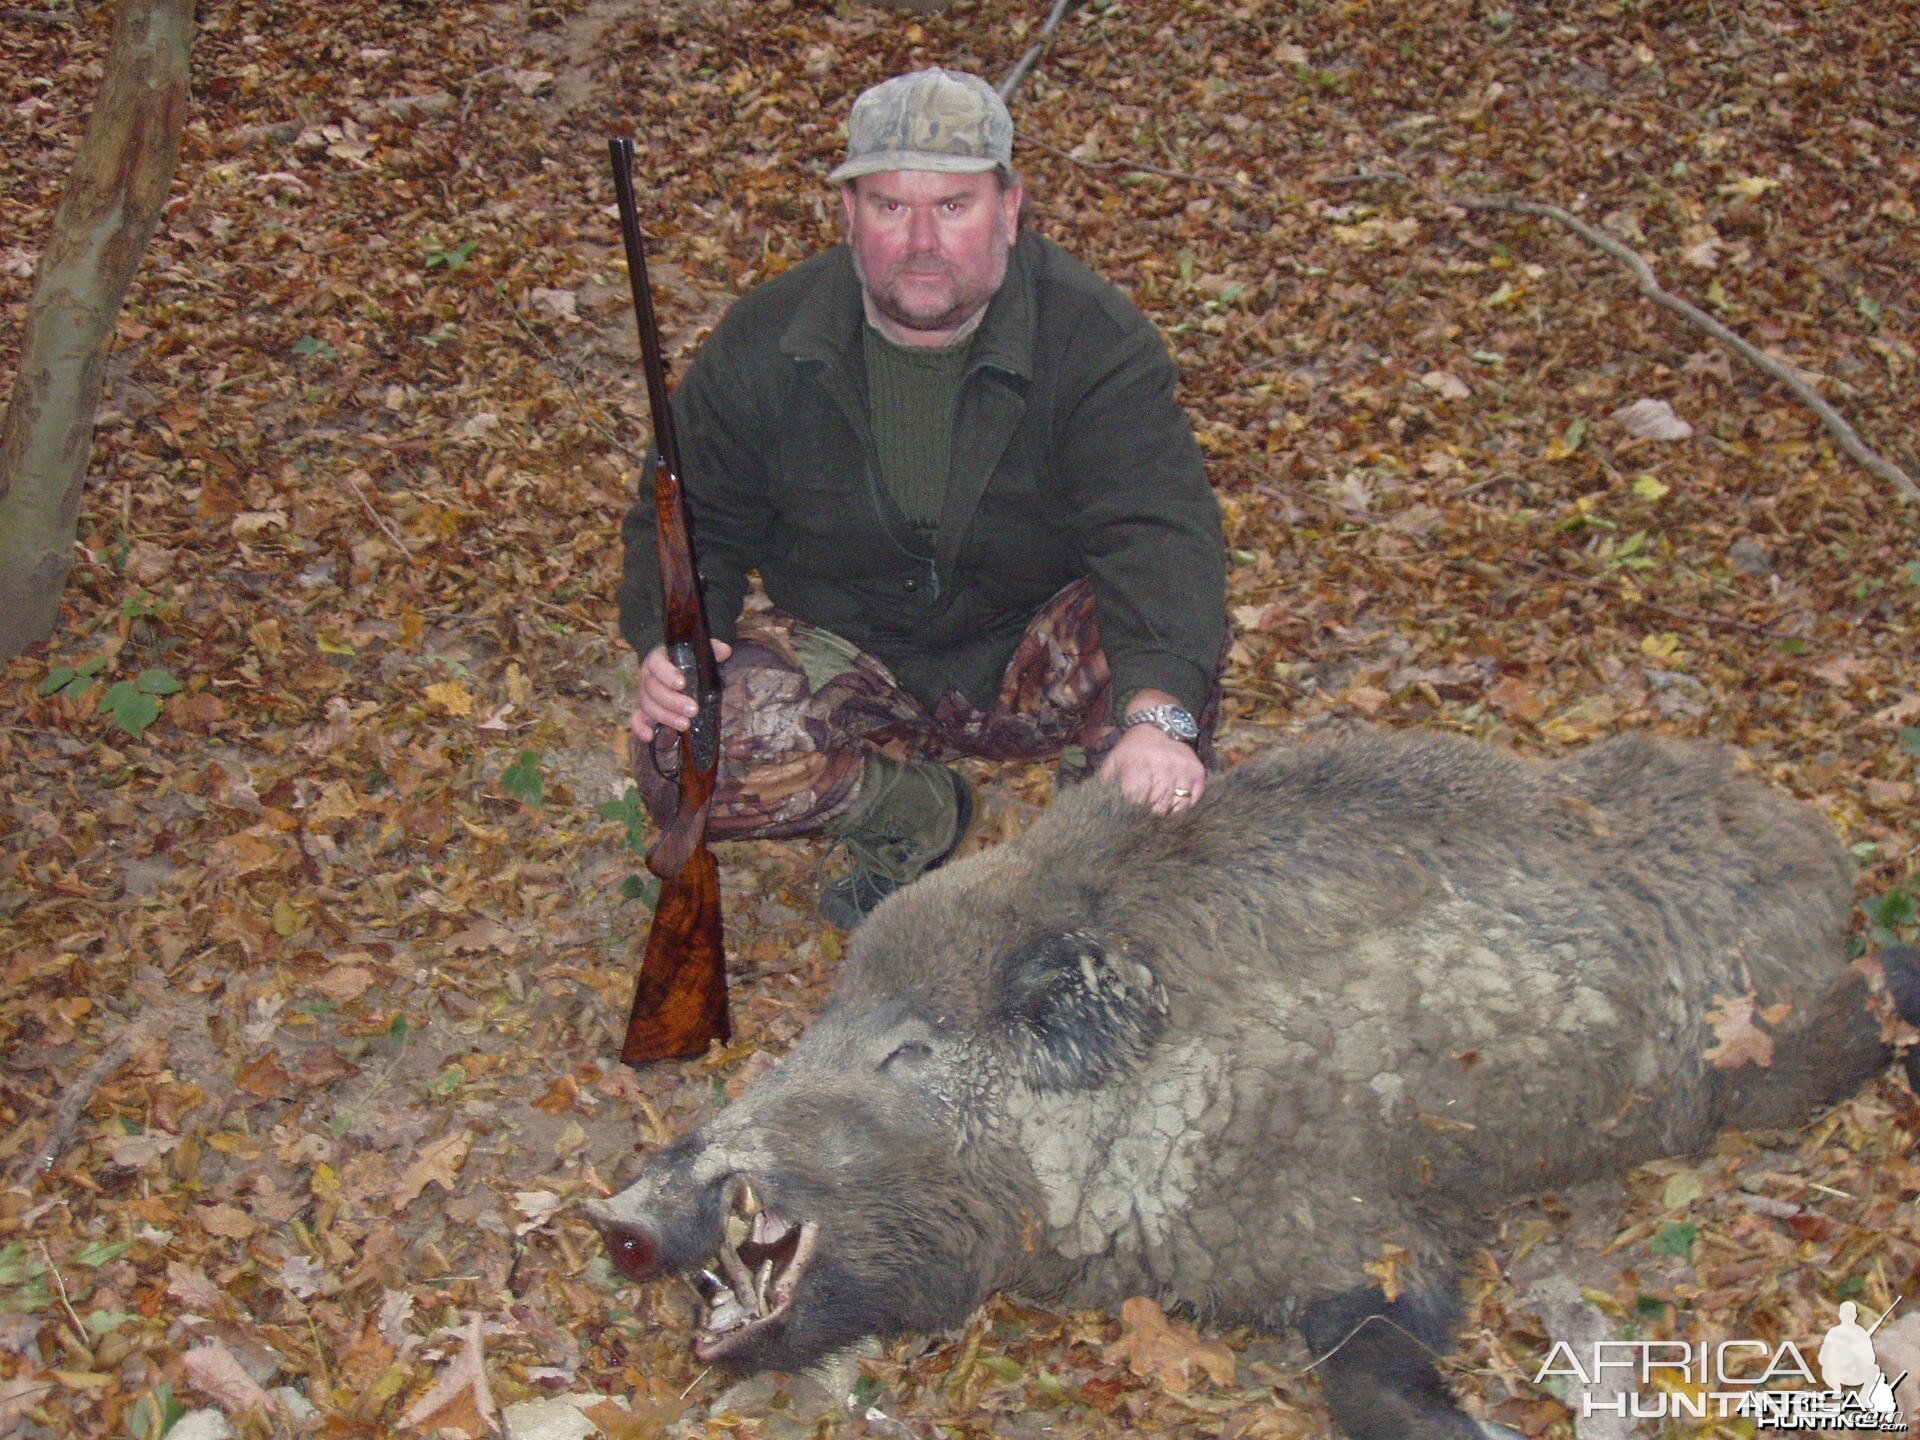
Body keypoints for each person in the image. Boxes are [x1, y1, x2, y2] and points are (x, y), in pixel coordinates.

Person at [617, 66, 1227, 927]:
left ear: (1009, 211)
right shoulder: (767, 337)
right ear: (848, 216)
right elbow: (689, 517)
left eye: (953, 206)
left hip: (1029, 651)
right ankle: (911, 812)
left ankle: (1087, 863)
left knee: (1165, 681)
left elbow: (1159, 532)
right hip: (853, 653)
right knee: (680, 757)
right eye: (889, 207)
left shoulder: (1092, 337)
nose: (921, 241)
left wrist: (1159, 713)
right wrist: (679, 641)